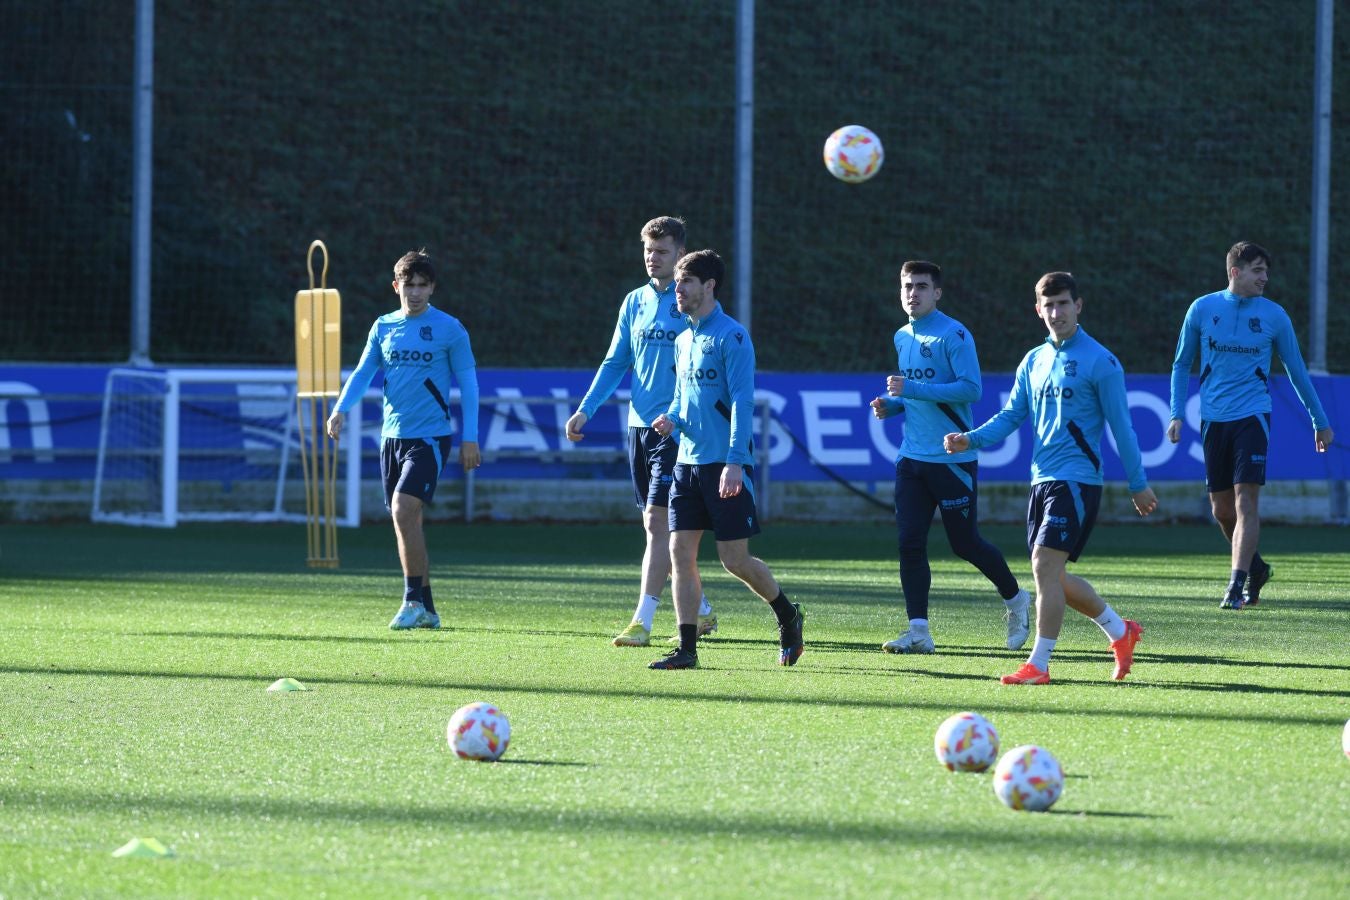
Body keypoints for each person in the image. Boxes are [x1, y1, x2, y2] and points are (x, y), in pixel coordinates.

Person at [944, 271, 1158, 685]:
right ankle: (1121, 631)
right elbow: (1011, 415)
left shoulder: (1101, 361)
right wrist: (971, 439)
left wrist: (1138, 482)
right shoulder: (1034, 360)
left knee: (1044, 566)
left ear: (1078, 306)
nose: (1057, 312)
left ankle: (1038, 665)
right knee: (1053, 577)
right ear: (1038, 310)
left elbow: (1123, 427)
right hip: (1041, 480)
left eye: (1063, 303)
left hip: (1077, 481)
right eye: (1049, 305)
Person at [647, 249, 803, 669]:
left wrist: (735, 462)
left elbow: (742, 403)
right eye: (677, 283)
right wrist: (672, 418)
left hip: (724, 465)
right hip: (687, 463)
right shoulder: (682, 340)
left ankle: (787, 614)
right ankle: (687, 649)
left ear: (709, 286)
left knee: (734, 559)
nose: (678, 290)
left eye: (686, 282)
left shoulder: (732, 337)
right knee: (680, 553)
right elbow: (682, 396)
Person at [566, 216, 717, 647]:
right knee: (659, 530)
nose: (653, 258)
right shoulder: (634, 301)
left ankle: (642, 621)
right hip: (638, 427)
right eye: (649, 250)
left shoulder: (691, 302)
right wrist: (586, 409)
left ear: (680, 253)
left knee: (656, 523)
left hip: (676, 429)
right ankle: (701, 609)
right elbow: (616, 361)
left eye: (663, 251)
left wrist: (685, 414)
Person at [869, 260, 1031, 655]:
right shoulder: (902, 335)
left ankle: (1016, 600)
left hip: (952, 457)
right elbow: (919, 396)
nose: (913, 293)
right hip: (911, 458)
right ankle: (919, 632)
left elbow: (971, 390)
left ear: (937, 293)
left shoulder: (954, 334)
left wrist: (910, 389)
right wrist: (894, 404)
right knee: (909, 543)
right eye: (907, 286)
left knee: (965, 544)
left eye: (921, 286)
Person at [1167, 241, 1334, 610]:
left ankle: (1235, 585)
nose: (1264, 278)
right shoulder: (1202, 308)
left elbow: (1296, 370)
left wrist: (1319, 420)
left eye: (1266, 272)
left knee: (1246, 501)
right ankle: (1257, 569)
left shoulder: (1275, 316)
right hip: (1213, 418)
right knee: (1222, 511)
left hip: (1253, 416)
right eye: (1257, 270)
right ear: (1235, 272)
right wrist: (1176, 412)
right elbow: (1181, 364)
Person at [326, 250, 480, 630]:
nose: (415, 293)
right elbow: (363, 372)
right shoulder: (383, 327)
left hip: (430, 437)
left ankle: (411, 601)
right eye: (409, 285)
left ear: (432, 288)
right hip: (391, 437)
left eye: (422, 286)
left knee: (402, 509)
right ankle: (427, 608)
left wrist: (471, 438)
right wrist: (340, 408)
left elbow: (469, 385)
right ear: (396, 286)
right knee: (406, 521)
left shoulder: (450, 329)